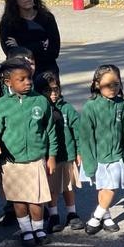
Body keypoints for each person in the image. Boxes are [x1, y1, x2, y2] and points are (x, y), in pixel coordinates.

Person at [0, 59, 57, 247]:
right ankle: (26, 231)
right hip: (11, 162)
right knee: (19, 200)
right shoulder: (1, 106)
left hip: (35, 160)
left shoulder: (40, 101)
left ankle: (38, 229)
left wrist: (52, 156)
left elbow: (50, 131)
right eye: (21, 79)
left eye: (29, 78)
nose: (27, 82)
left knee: (36, 199)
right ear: (8, 82)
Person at [78, 64, 124, 235]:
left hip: (116, 156)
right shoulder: (90, 107)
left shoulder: (122, 105)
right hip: (98, 156)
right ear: (96, 84)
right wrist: (89, 162)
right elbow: (85, 137)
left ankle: (96, 216)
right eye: (108, 84)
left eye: (116, 84)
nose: (113, 88)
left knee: (111, 187)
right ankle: (107, 217)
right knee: (103, 188)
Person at [35, 71, 83, 232]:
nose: (53, 94)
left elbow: (78, 130)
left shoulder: (67, 108)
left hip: (67, 154)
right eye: (48, 91)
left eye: (56, 89)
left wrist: (79, 150)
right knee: (53, 188)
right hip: (49, 157)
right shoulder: (40, 109)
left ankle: (72, 213)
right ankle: (54, 214)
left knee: (68, 186)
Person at [0, 0, 61, 77]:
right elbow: (12, 54)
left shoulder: (47, 18)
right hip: (20, 74)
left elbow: (54, 51)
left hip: (48, 72)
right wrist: (41, 46)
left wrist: (20, 46)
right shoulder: (7, 22)